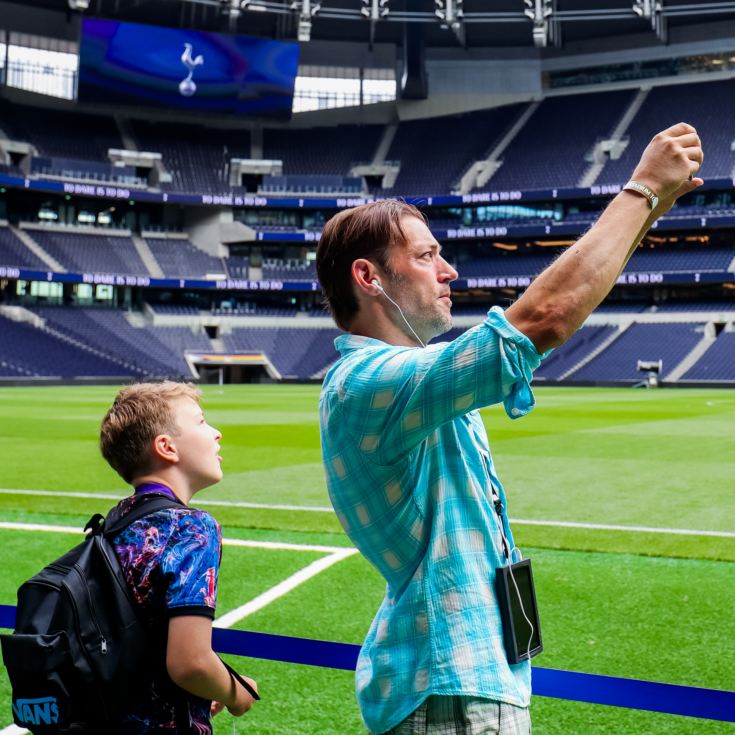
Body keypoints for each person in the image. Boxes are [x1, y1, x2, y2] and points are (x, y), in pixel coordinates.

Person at [316, 123, 703, 735]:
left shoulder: (408, 382)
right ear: (369, 277)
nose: (449, 272)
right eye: (425, 256)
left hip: (460, 678)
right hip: (448, 685)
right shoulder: (367, 383)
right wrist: (641, 190)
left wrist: (654, 205)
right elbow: (543, 319)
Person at [99, 381, 258, 734]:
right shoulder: (192, 528)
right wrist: (237, 692)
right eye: (201, 422)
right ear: (167, 448)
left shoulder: (114, 520)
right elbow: (190, 663)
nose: (216, 433)